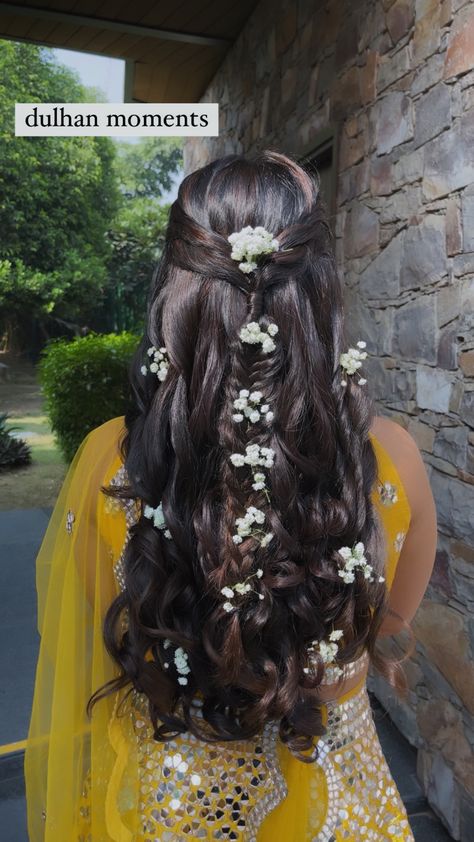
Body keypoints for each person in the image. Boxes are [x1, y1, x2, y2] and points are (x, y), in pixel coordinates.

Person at [24, 150, 438, 841]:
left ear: (177, 289)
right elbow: (387, 620)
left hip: (175, 807)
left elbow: (120, 628)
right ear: (319, 293)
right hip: (339, 809)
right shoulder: (390, 459)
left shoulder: (113, 463)